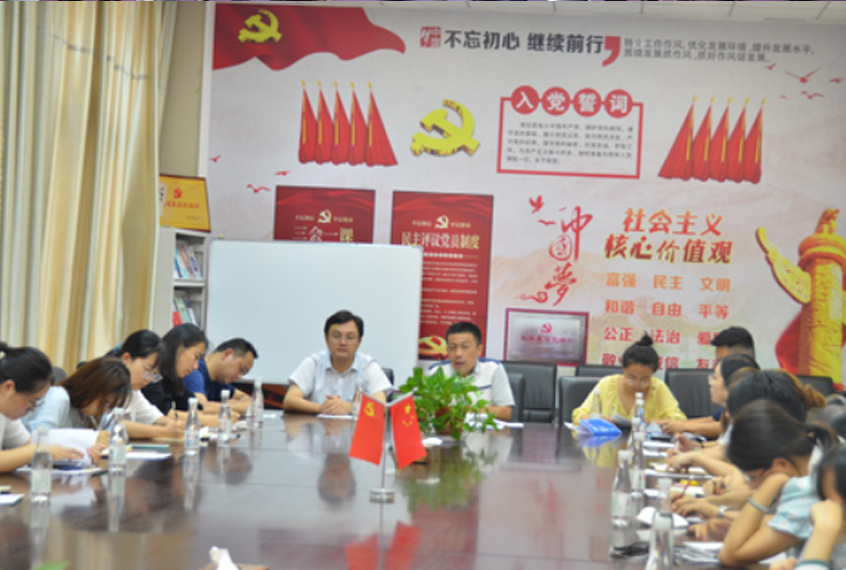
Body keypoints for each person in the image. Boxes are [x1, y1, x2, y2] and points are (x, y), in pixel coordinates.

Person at [718, 400, 837, 567]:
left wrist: (772, 483)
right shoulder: (821, 454)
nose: (754, 486)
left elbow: (730, 555)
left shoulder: (809, 489)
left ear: (781, 464)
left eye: (753, 477)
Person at [284, 310, 391, 415]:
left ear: (359, 341)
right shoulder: (313, 363)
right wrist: (322, 407)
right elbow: (289, 400)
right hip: (317, 426)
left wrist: (349, 407)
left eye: (349, 337)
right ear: (326, 338)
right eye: (336, 336)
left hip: (355, 427)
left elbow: (381, 407)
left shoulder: (368, 366)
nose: (342, 342)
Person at [0, 343, 82, 473]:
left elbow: (29, 444)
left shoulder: (6, 415)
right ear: (8, 387)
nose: (32, 410)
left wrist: (81, 451)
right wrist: (37, 450)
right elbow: (33, 449)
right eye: (31, 402)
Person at [571, 333, 685, 425]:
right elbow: (578, 415)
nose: (637, 384)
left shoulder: (658, 388)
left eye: (645, 379)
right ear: (623, 369)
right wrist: (598, 420)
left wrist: (649, 422)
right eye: (631, 378)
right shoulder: (607, 384)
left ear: (653, 374)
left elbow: (679, 420)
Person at [768, 444, 846, 570]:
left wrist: (824, 530)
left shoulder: (826, 530)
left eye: (832, 501)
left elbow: (736, 554)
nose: (825, 508)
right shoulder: (836, 540)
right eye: (824, 499)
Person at [657, 353, 759, 438]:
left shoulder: (750, 414)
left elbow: (722, 429)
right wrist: (680, 426)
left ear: (732, 382)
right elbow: (721, 443)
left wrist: (684, 427)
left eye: (715, 377)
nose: (710, 382)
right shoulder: (729, 407)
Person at [427, 321, 514, 422]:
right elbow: (425, 409)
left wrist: (465, 412)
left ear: (479, 350)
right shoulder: (436, 372)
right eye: (453, 347)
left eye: (465, 347)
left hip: (484, 430)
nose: (458, 354)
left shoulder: (493, 369)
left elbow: (506, 412)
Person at [109, 330, 183, 440]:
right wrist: (163, 432)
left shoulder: (133, 390)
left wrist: (171, 424)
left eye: (155, 375)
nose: (150, 379)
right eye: (147, 370)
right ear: (126, 359)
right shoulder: (104, 380)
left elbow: (156, 417)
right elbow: (113, 424)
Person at [23, 357, 132, 431]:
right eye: (105, 403)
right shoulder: (58, 397)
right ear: (90, 388)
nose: (105, 410)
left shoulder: (89, 411)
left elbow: (116, 430)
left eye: (110, 406)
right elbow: (40, 439)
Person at [141, 324, 207, 414]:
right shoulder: (152, 372)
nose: (196, 366)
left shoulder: (173, 378)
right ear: (179, 346)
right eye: (196, 357)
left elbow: (195, 407)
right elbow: (164, 413)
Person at [183, 338, 257, 415]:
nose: (239, 377)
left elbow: (248, 399)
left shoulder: (220, 380)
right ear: (227, 354)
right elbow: (201, 407)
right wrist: (236, 406)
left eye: (244, 373)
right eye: (241, 369)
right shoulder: (194, 372)